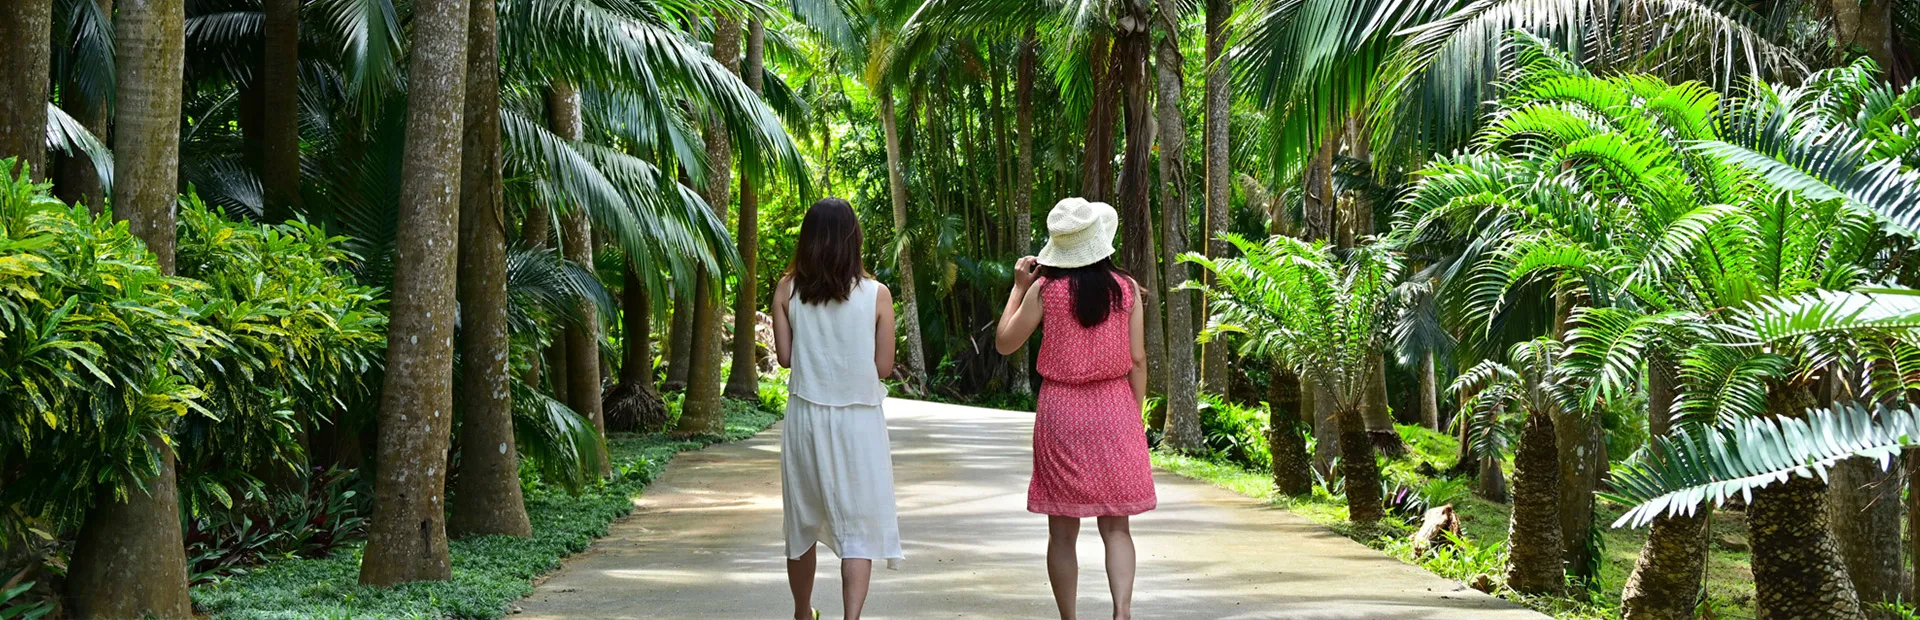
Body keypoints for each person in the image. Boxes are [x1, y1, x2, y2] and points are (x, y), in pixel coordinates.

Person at [994, 197, 1156, 620]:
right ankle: (1122, 612)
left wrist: (1017, 288)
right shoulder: (1126, 290)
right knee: (1117, 526)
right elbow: (1137, 360)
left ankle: (1070, 618)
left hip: (1061, 412)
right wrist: (1131, 416)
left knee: (1062, 531)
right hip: (1115, 408)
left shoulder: (1046, 291)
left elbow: (1005, 342)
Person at [772, 198, 904, 620]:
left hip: (807, 417)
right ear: (854, 240)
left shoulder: (787, 290)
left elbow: (786, 357)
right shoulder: (878, 296)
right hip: (859, 421)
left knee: (803, 522)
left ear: (807, 240)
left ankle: (800, 612)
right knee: (858, 527)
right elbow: (883, 368)